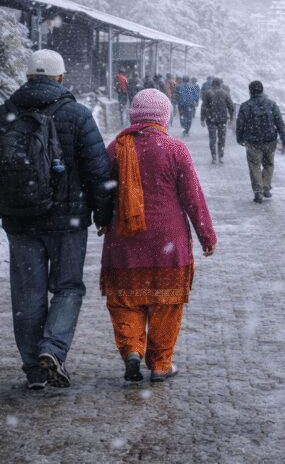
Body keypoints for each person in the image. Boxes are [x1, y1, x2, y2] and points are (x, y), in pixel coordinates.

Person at [0, 49, 113, 390]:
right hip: (67, 221)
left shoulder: (1, 115)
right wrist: (103, 213)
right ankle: (52, 349)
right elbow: (98, 171)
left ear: (27, 78)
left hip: (21, 221)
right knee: (67, 288)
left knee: (26, 295)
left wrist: (1, 208)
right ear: (61, 78)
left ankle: (33, 370)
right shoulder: (77, 115)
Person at [100, 89, 217, 383]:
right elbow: (193, 197)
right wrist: (207, 236)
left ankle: (132, 350)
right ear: (165, 116)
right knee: (167, 303)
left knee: (125, 300)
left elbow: (101, 192)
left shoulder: (116, 148)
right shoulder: (175, 149)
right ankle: (161, 364)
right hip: (168, 242)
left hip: (124, 240)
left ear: (134, 115)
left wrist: (101, 220)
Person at [235, 80, 285, 203]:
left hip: (253, 142)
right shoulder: (272, 105)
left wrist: (240, 138)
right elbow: (280, 122)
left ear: (250, 91)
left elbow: (240, 124)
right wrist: (284, 138)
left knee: (254, 166)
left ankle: (258, 191)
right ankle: (266, 186)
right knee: (268, 164)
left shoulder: (245, 106)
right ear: (262, 90)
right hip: (270, 140)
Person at [200, 77, 235, 164]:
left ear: (212, 84)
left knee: (212, 138)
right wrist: (231, 118)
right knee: (222, 138)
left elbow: (204, 106)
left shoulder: (208, 93)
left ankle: (214, 157)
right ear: (220, 84)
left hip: (210, 119)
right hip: (222, 119)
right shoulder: (225, 93)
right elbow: (231, 106)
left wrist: (202, 119)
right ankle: (220, 155)